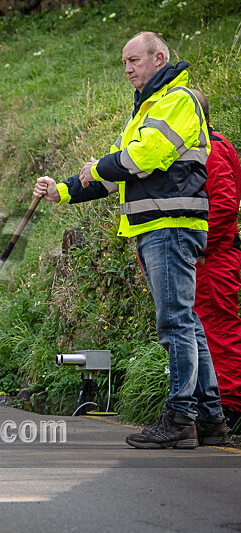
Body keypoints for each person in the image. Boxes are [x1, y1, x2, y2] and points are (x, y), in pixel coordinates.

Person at [33, 31, 229, 448]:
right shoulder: (146, 109)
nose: (127, 70)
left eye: (133, 61)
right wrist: (63, 190)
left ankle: (180, 418)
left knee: (175, 323)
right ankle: (210, 419)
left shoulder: (179, 101)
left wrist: (101, 166)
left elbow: (142, 157)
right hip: (160, 227)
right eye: (124, 62)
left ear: (159, 58)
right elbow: (112, 174)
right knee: (188, 322)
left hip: (170, 227)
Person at [191, 89, 241, 434]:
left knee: (218, 330)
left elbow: (224, 205)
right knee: (205, 330)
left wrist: (196, 245)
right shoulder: (210, 145)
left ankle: (230, 406)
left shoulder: (210, 150)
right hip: (208, 256)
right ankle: (213, 405)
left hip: (213, 258)